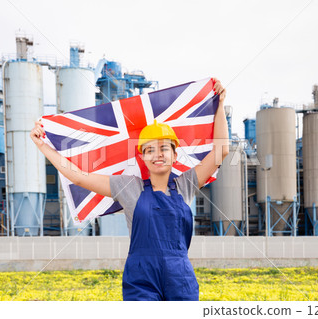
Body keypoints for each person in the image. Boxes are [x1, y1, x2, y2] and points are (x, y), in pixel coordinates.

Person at [30, 78, 229, 300]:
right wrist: (43, 146)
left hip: (179, 277)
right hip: (141, 278)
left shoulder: (186, 184)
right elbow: (78, 177)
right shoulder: (128, 187)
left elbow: (220, 151)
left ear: (175, 155)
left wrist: (219, 105)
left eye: (164, 148)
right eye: (150, 150)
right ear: (143, 157)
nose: (158, 155)